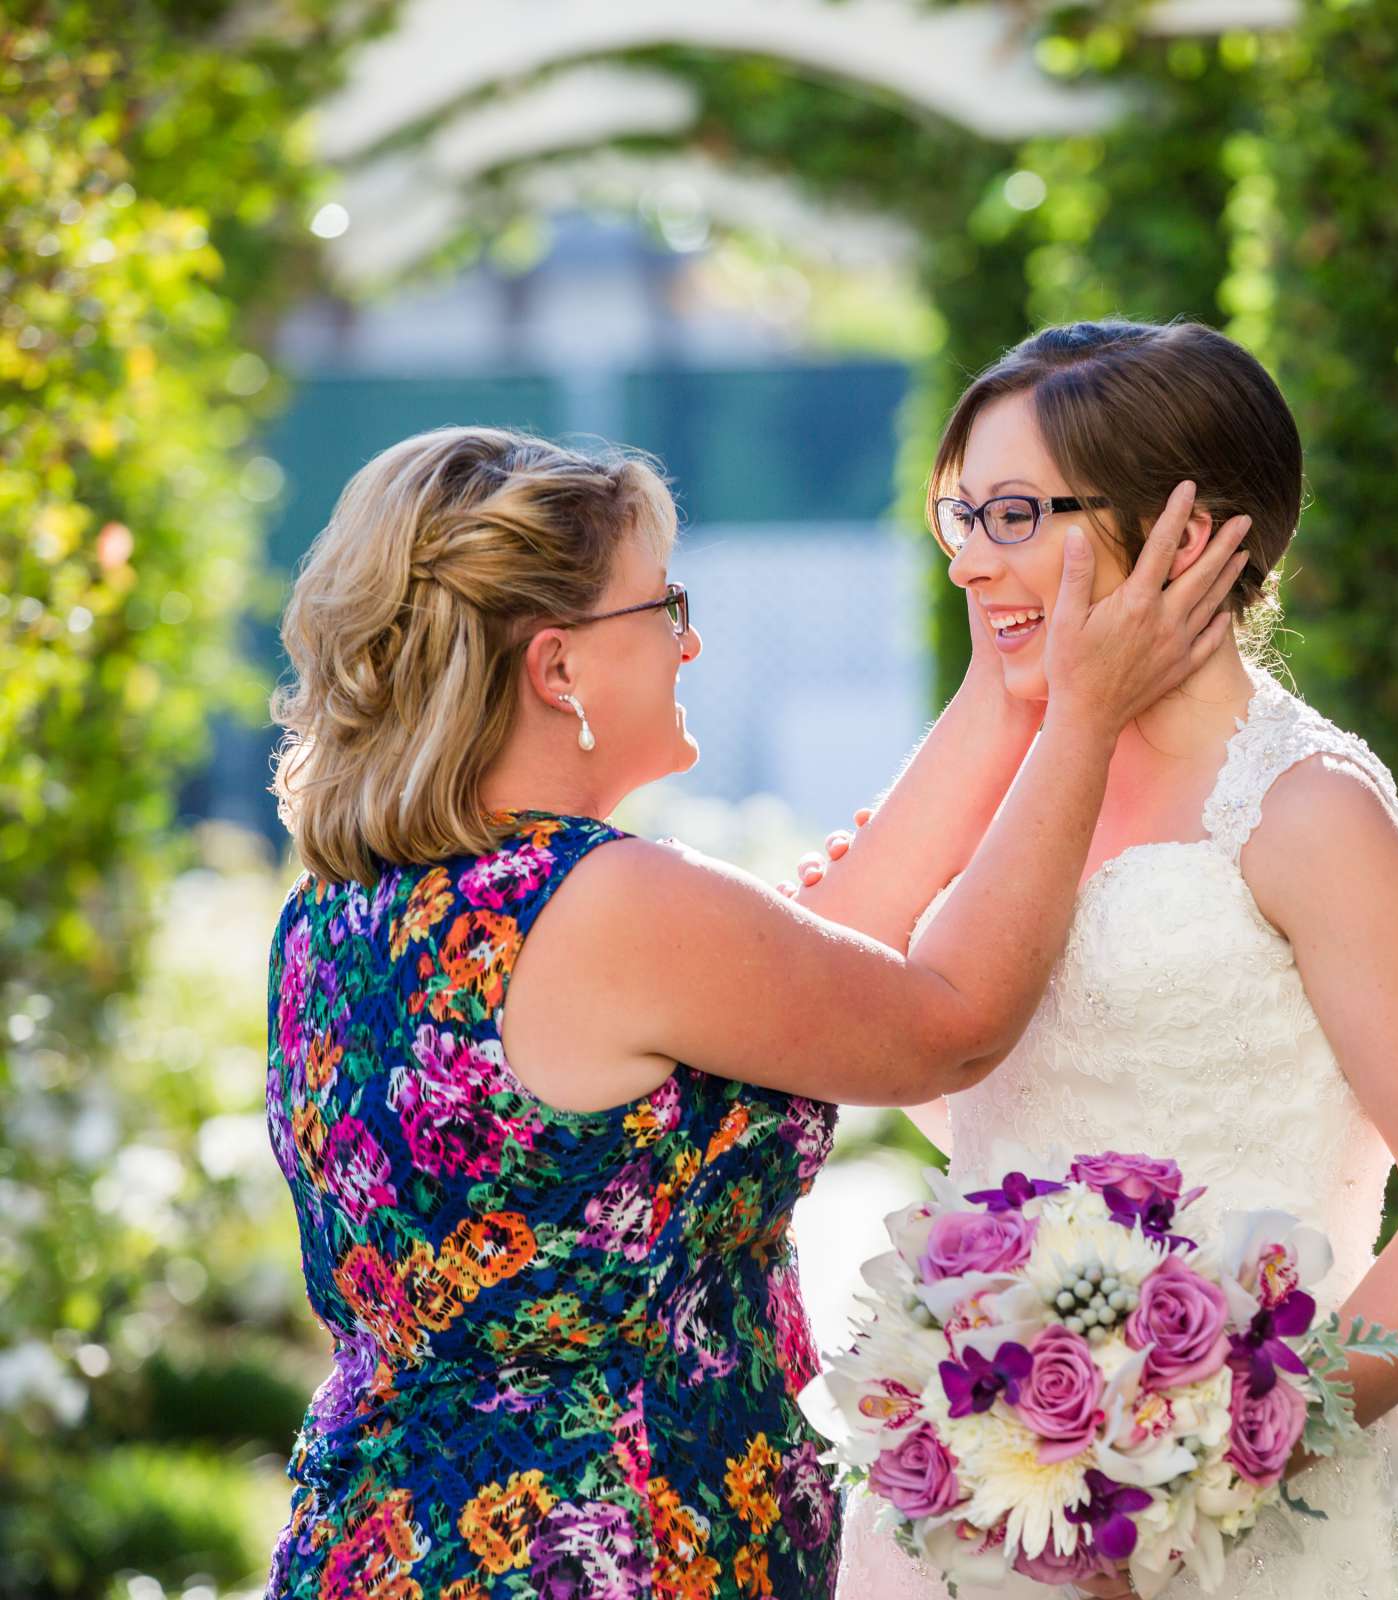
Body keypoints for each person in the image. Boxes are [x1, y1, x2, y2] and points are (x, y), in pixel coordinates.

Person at [259, 425, 1247, 1598]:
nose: (692, 641)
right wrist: (1086, 716)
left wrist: (1007, 688)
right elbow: (952, 1019)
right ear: (557, 667)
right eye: (662, 607)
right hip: (603, 1556)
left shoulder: (337, 912)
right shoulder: (609, 899)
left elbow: (829, 958)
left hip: (386, 1539)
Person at [802, 322, 1398, 1599]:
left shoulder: (1308, 811)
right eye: (959, 515)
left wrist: (1239, 1447)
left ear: (1186, 536)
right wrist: (1012, 692)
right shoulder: (1010, 773)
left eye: (1018, 513)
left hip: (1235, 1527)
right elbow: (818, 1003)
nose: (971, 561)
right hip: (969, 1498)